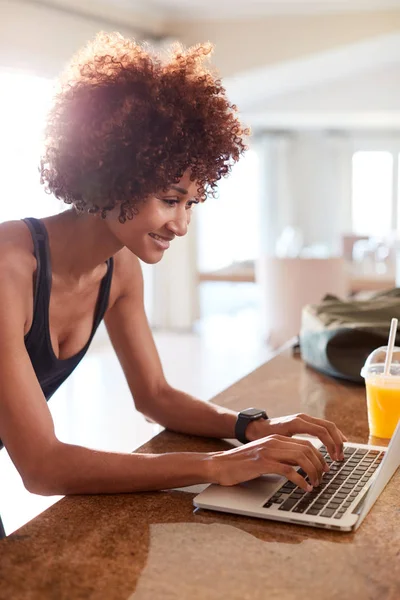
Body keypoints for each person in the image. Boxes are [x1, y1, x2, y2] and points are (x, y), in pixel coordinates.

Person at [0, 33, 346, 510]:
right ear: (112, 176)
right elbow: (42, 466)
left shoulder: (118, 271)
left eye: (192, 204)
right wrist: (216, 465)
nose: (181, 225)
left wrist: (254, 427)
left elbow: (156, 395)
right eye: (169, 200)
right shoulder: (7, 270)